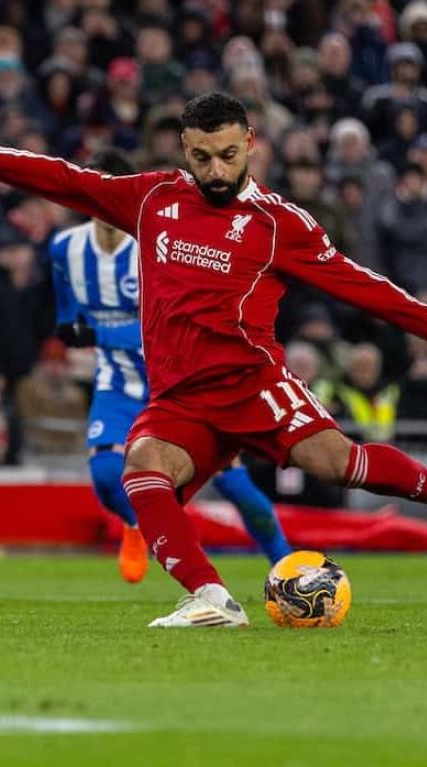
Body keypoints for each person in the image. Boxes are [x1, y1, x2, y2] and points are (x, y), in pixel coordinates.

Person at [0, 92, 427, 629]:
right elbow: (64, 178)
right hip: (181, 398)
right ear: (183, 148)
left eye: (228, 155)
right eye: (201, 157)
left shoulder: (279, 223)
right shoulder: (151, 201)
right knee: (141, 469)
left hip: (255, 385)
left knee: (338, 464)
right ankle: (210, 597)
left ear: (250, 143)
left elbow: (361, 285)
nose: (216, 169)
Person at [48, 149, 292, 585]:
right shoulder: (65, 248)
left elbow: (163, 321)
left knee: (238, 489)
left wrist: (98, 336)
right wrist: (71, 331)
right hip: (117, 382)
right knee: (106, 477)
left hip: (180, 383)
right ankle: (142, 524)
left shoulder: (155, 242)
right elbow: (68, 318)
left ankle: (287, 565)